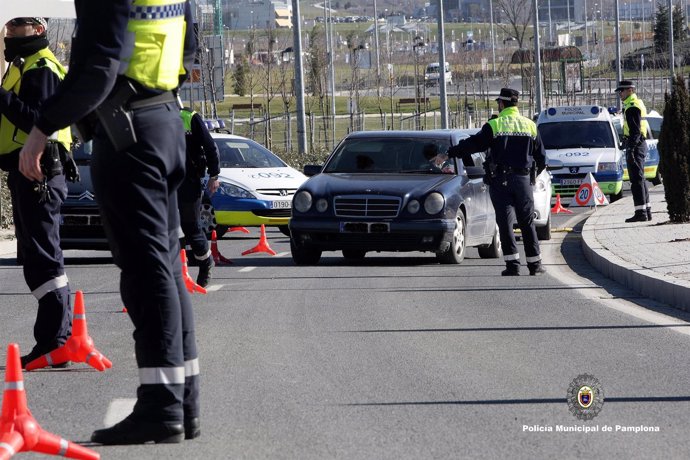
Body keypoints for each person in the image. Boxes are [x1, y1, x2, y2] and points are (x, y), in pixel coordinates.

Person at [19, 0, 199, 445]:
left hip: (128, 133)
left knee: (145, 273)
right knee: (167, 269)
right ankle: (183, 401)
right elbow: (188, 51)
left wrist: (43, 129)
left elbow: (100, 66)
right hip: (165, 121)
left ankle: (161, 407)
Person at [0, 17, 73, 369]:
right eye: (8, 25)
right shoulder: (24, 66)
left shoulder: (41, 68)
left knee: (44, 258)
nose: (10, 32)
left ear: (40, 29)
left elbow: (38, 121)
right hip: (27, 172)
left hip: (39, 172)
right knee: (36, 258)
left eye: (19, 26)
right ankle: (57, 339)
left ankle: (55, 341)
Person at [447, 88, 546, 276]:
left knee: (505, 223)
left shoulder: (494, 125)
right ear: (516, 103)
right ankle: (535, 265)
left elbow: (473, 144)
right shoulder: (531, 126)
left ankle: (513, 265)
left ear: (502, 104)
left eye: (498, 103)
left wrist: (450, 153)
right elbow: (542, 158)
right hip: (524, 180)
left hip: (501, 180)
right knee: (527, 222)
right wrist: (530, 177)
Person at [178, 108, 220, 287]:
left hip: (188, 180)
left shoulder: (189, 117)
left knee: (190, 227)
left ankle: (205, 262)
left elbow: (210, 146)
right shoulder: (150, 114)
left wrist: (213, 175)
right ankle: (174, 274)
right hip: (162, 182)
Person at [616, 80, 651, 222]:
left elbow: (635, 131)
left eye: (622, 91)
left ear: (630, 90)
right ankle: (646, 211)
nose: (620, 94)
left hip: (636, 145)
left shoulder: (631, 106)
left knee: (636, 180)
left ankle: (640, 213)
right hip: (639, 144)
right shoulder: (636, 103)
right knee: (640, 179)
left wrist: (630, 148)